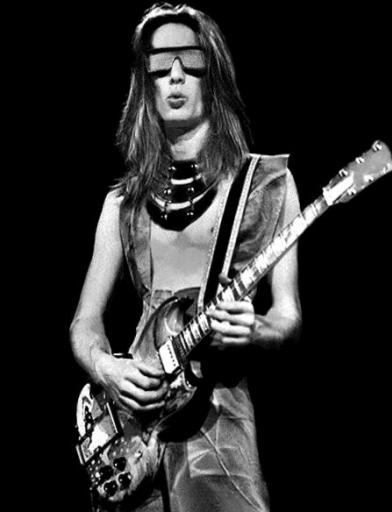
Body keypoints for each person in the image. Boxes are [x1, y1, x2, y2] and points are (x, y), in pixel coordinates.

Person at [70, 3, 302, 511]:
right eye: (160, 64)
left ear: (212, 71)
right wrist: (108, 369)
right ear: (145, 83)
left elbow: (287, 315)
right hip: (134, 426)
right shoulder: (122, 203)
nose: (175, 76)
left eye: (189, 60)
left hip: (217, 425)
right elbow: (84, 321)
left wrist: (257, 329)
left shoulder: (267, 186)